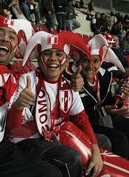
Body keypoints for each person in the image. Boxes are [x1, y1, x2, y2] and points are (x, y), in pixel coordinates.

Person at [0, 13, 62, 177]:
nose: (5, 39)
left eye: (11, 37)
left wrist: (18, 106)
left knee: (51, 173)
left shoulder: (12, 81)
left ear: (15, 49)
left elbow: (12, 126)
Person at [6, 31, 107, 177]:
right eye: (47, 54)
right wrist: (18, 106)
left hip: (56, 135)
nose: (53, 59)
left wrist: (96, 149)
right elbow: (12, 126)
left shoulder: (69, 84)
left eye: (59, 54)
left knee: (103, 142)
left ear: (66, 61)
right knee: (71, 157)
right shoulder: (27, 80)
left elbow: (81, 119)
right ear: (40, 60)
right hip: (28, 140)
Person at [79, 34, 129, 159]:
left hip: (103, 117)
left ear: (101, 61)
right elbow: (78, 114)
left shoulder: (105, 76)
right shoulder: (73, 80)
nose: (91, 66)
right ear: (79, 61)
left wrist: (121, 102)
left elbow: (109, 102)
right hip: (86, 123)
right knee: (119, 139)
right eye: (86, 60)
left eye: (95, 61)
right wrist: (104, 111)